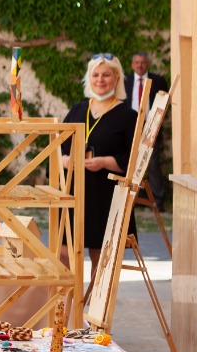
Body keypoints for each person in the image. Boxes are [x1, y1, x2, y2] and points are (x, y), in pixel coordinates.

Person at [62, 54, 138, 290]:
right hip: (75, 192)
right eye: (95, 75)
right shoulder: (78, 109)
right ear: (89, 78)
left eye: (106, 75)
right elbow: (58, 147)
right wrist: (66, 161)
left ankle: (92, 306)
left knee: (100, 256)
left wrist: (105, 161)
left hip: (106, 194)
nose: (100, 80)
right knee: (63, 252)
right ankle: (68, 305)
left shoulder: (128, 116)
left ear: (117, 78)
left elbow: (136, 160)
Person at [129, 52, 170, 205]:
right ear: (132, 65)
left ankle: (157, 200)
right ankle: (132, 198)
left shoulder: (158, 81)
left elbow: (166, 101)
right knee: (131, 163)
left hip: (151, 127)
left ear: (148, 64)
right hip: (130, 128)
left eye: (142, 62)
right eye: (137, 62)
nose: (139, 65)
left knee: (152, 163)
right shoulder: (125, 81)